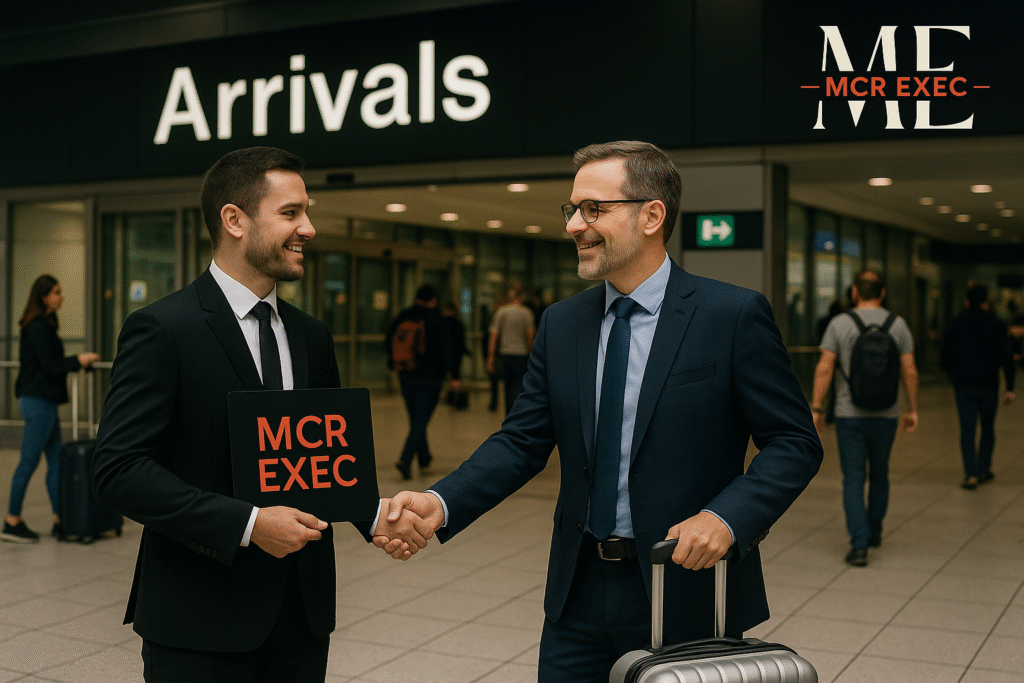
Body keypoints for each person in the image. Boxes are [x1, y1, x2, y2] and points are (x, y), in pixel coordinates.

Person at [377, 140, 823, 683]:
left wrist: (726, 518)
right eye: (572, 209)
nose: (574, 225)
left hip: (686, 588)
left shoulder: (730, 315)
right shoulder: (562, 324)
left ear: (652, 216)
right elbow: (521, 442)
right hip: (578, 594)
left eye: (594, 209)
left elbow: (795, 442)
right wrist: (439, 502)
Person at [91, 147, 431, 682]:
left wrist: (372, 514)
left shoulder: (311, 336)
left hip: (301, 620)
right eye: (291, 213)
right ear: (234, 220)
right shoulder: (163, 330)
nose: (308, 229)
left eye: (307, 212)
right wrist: (248, 525)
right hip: (200, 623)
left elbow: (319, 461)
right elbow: (117, 471)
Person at [811, 270, 918, 567]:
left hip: (849, 415)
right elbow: (910, 370)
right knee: (880, 474)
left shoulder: (839, 323)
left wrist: (817, 407)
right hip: (886, 414)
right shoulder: (898, 325)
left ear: (855, 293)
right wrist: (911, 408)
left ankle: (859, 545)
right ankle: (875, 532)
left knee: (854, 478)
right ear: (882, 293)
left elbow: (824, 368)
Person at [2, 275, 99, 543]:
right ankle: (12, 520)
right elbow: (51, 366)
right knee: (29, 462)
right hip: (39, 404)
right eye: (57, 292)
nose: (62, 296)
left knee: (56, 463)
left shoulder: (44, 324)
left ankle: (61, 518)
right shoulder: (38, 328)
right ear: (44, 297)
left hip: (43, 402)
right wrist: (78, 360)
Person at [941, 281, 1015, 489]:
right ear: (986, 301)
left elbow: (945, 355)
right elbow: (1006, 357)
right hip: (989, 385)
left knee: (967, 429)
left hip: (964, 385)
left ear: (966, 301)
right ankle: (983, 469)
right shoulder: (997, 324)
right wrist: (1010, 386)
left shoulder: (955, 323)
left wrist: (954, 376)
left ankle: (970, 473)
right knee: (988, 428)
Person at [386, 284, 460, 480]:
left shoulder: (404, 316)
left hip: (406, 375)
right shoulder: (437, 319)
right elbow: (447, 349)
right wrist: (454, 375)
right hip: (431, 378)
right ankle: (405, 459)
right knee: (420, 421)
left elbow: (388, 342)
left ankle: (425, 459)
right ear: (433, 300)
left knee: (417, 419)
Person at [487, 286, 536, 416]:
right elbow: (530, 335)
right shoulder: (527, 313)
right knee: (518, 386)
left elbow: (494, 336)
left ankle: (508, 414)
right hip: (521, 355)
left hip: (505, 354)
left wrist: (491, 357)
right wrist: (530, 352)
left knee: (507, 387)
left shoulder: (501, 312)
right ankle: (516, 413)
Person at [441, 301, 469, 408]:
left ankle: (453, 397)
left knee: (453, 376)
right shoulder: (458, 323)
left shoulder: (444, 323)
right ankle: (453, 397)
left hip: (450, 353)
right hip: (457, 353)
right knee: (455, 376)